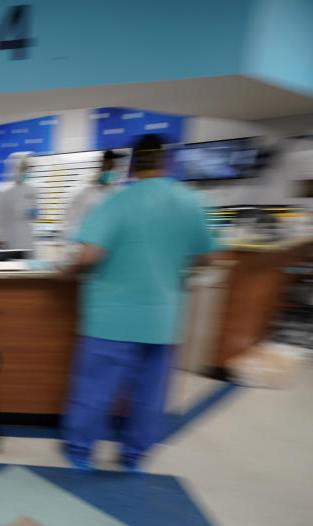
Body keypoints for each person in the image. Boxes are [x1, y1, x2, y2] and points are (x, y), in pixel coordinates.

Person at [61, 134, 218, 473]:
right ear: (166, 162)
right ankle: (134, 455)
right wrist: (174, 268)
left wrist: (68, 271)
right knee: (150, 394)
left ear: (132, 164)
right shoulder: (190, 201)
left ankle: (80, 452)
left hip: (110, 318)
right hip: (162, 318)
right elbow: (208, 256)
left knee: (96, 390)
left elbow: (90, 254)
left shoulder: (117, 202)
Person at [63, 149, 123, 242]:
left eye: (113, 167)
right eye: (107, 166)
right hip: (87, 246)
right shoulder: (83, 193)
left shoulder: (116, 193)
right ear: (100, 167)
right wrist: (77, 249)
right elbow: (70, 224)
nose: (111, 170)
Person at [0, 152, 38, 251]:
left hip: (27, 238)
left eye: (27, 169)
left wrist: (34, 213)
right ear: (14, 169)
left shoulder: (31, 189)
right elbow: (0, 219)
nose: (26, 172)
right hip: (11, 239)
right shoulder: (5, 191)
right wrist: (2, 239)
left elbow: (35, 213)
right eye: (23, 169)